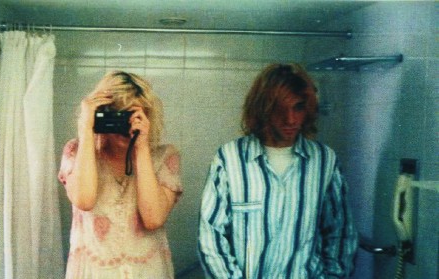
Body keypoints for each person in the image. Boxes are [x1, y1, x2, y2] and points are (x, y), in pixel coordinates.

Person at [198, 63, 358, 278]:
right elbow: (211, 238)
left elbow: (340, 234)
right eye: (280, 109)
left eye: (298, 107)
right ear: (262, 109)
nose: (290, 120)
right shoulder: (230, 159)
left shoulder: (324, 161)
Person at [58, 71, 183, 278]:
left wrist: (141, 148)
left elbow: (153, 218)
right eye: (117, 115)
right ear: (100, 114)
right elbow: (84, 199)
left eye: (131, 116)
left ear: (148, 117)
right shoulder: (77, 151)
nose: (125, 125)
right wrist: (86, 131)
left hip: (147, 272)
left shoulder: (164, 157)